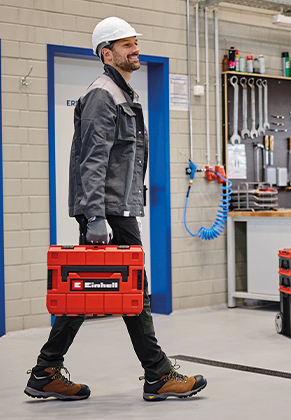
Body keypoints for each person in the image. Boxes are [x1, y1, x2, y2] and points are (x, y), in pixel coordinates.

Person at [24, 17, 207, 402]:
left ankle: (45, 370)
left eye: (135, 43)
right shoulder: (103, 94)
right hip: (108, 212)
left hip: (116, 208)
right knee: (133, 292)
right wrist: (94, 216)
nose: (135, 49)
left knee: (88, 291)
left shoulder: (123, 94)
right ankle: (157, 375)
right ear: (107, 54)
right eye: (126, 45)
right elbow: (92, 159)